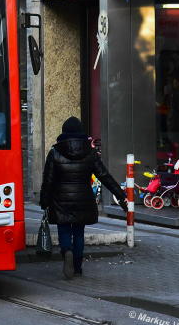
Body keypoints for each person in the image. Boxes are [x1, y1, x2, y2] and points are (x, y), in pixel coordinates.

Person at [40, 116, 128, 279]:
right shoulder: (90, 153)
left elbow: (48, 180)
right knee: (79, 233)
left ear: (63, 132)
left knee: (64, 229)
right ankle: (77, 268)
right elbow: (104, 176)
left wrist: (44, 201)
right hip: (83, 199)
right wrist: (121, 194)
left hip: (60, 200)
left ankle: (67, 251)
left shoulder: (55, 152)